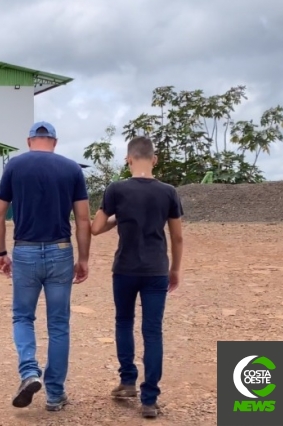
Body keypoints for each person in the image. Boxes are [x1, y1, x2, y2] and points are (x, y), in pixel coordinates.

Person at [0, 121, 91, 412]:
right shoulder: (72, 169)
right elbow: (83, 219)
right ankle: (55, 394)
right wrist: (83, 259)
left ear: (29, 140)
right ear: (55, 142)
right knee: (58, 324)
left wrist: (0, 252)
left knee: (23, 317)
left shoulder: (15, 166)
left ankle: (29, 372)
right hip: (61, 251)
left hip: (25, 252)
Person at [91, 135, 184, 419]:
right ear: (154, 160)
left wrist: (119, 216)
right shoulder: (168, 192)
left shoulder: (116, 190)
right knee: (153, 331)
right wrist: (175, 269)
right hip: (156, 269)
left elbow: (95, 228)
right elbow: (177, 237)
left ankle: (127, 381)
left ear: (128, 159)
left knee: (124, 322)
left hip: (125, 269)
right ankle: (150, 399)